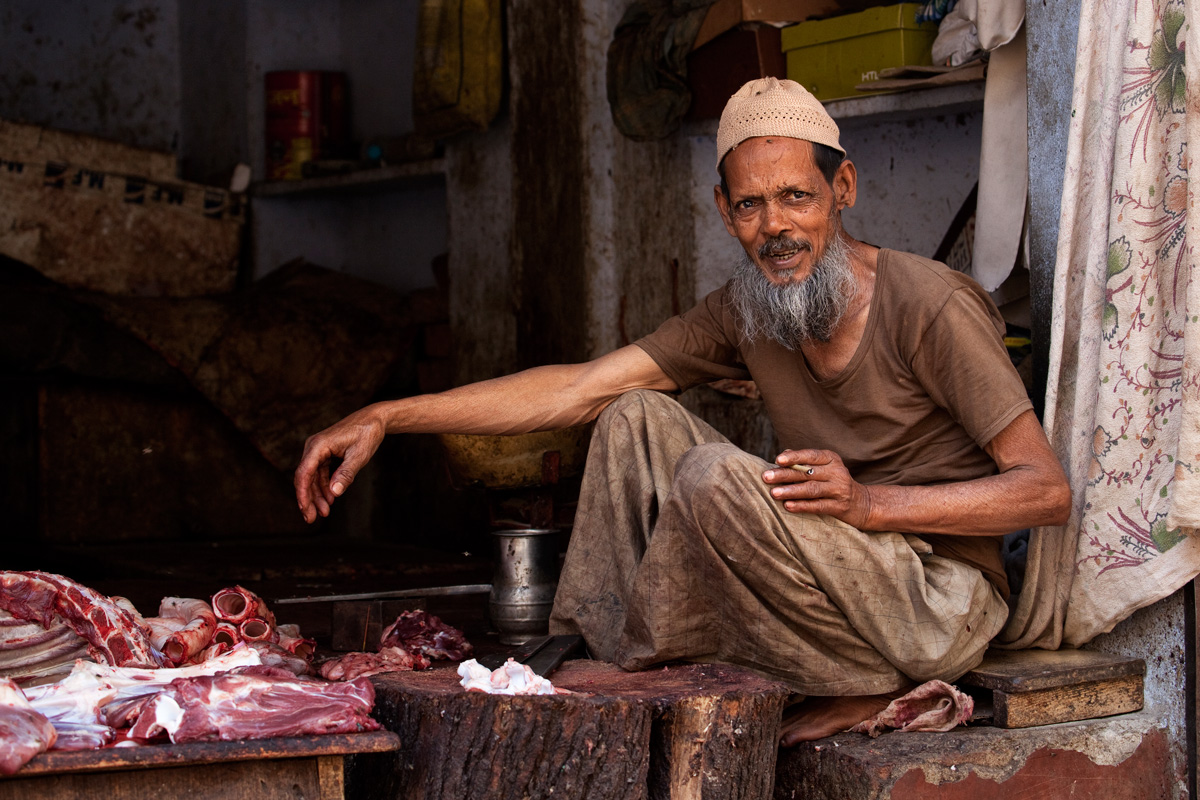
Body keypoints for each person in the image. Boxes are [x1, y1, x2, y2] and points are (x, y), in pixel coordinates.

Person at [294, 78, 1071, 743]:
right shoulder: (746, 309)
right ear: (724, 211)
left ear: (843, 189)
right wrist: (388, 414)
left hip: (936, 606)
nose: (776, 227)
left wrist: (869, 505)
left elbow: (1044, 491)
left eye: (797, 197)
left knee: (712, 475)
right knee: (633, 415)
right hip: (833, 588)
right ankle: (596, 657)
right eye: (751, 206)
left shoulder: (930, 305)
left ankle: (705, 674)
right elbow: (578, 388)